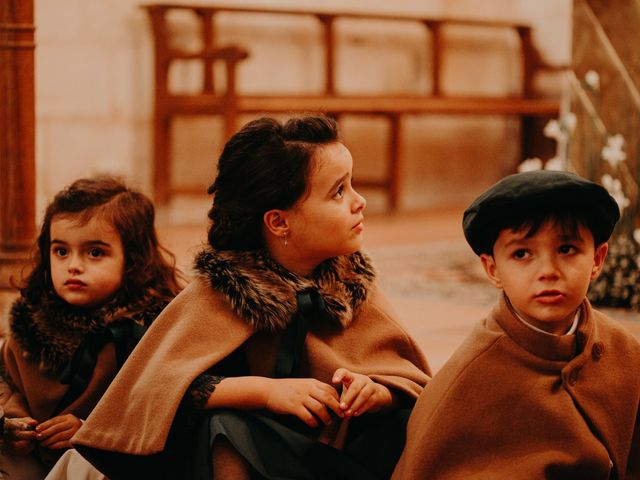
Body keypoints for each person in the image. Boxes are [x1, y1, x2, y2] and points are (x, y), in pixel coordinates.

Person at [71, 114, 431, 479]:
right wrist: (264, 392)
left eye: (351, 186)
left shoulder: (352, 286)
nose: (360, 202)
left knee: (405, 425)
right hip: (263, 456)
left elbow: (412, 381)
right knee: (224, 428)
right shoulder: (218, 296)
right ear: (278, 222)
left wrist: (377, 393)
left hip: (335, 461)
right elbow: (156, 389)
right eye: (338, 191)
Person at [392, 170, 640, 479]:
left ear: (597, 259)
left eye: (566, 249)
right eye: (522, 254)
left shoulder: (626, 352)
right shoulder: (467, 385)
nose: (548, 271)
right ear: (492, 269)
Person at [0, 176, 183, 479]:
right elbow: (6, 380)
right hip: (33, 462)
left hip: (107, 461)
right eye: (61, 251)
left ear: (132, 260)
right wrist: (14, 424)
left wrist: (90, 430)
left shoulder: (147, 332)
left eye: (95, 252)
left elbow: (161, 412)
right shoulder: (28, 326)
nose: (73, 265)